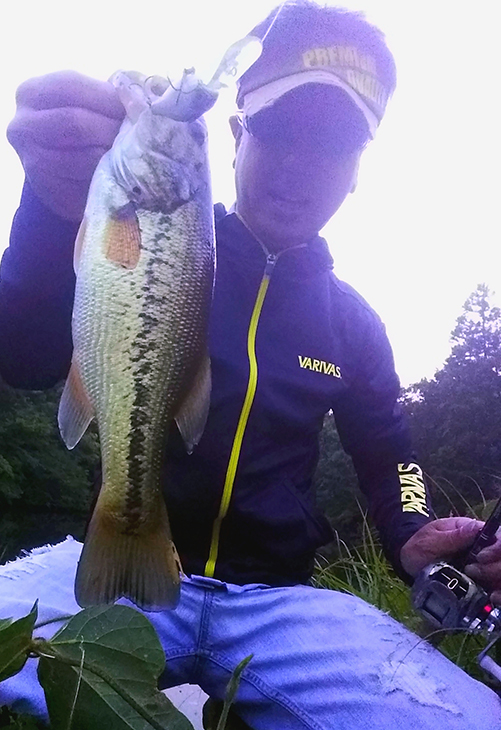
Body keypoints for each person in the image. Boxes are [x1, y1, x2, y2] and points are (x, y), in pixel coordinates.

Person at [1, 2, 501, 728]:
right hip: (113, 568)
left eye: (333, 143)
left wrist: (411, 531)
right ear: (236, 134)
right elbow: (23, 354)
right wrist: (49, 210)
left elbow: (391, 457)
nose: (300, 166)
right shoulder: (157, 232)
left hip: (280, 601)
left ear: (357, 171)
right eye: (282, 130)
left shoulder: (355, 324)